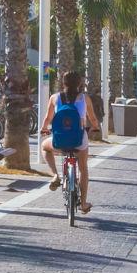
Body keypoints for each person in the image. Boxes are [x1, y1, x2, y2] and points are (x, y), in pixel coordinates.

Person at [40, 70, 94, 214]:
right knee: (83, 169)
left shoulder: (55, 97)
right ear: (79, 83)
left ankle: (55, 175)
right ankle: (83, 204)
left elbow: (48, 118)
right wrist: (95, 128)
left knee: (44, 146)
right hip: (79, 141)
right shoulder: (85, 98)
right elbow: (93, 119)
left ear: (63, 83)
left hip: (59, 142)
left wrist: (43, 129)